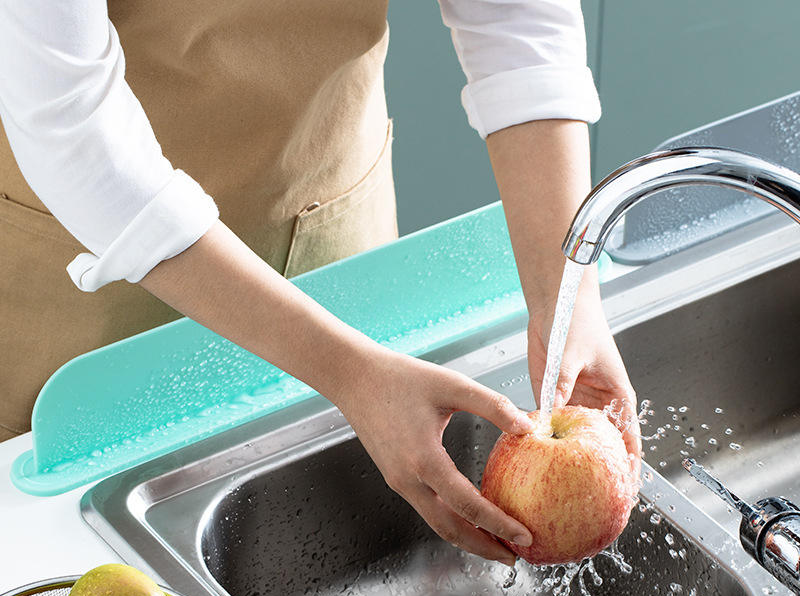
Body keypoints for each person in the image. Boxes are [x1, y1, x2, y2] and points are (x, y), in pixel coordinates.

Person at [0, 0, 638, 566]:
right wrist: (352, 373)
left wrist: (567, 291)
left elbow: (513, 14)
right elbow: (71, 126)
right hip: (97, 275)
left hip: (336, 235)